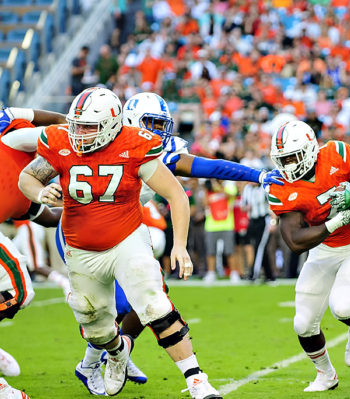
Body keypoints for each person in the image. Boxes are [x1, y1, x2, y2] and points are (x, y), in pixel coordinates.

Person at [17, 87, 222, 399]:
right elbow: (27, 179)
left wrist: (179, 245)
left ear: (113, 125)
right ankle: (117, 352)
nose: (80, 133)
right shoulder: (61, 141)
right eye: (77, 125)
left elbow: (176, 195)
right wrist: (40, 194)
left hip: (127, 239)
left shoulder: (134, 144)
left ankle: (196, 380)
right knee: (95, 324)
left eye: (89, 127)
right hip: (80, 247)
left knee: (154, 303)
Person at [268, 120, 350, 391]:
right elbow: (295, 242)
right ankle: (326, 375)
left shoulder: (337, 155)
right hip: (322, 252)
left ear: (311, 149)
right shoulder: (283, 187)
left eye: (292, 157)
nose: (287, 165)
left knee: (344, 307)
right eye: (282, 159)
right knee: (302, 324)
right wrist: (336, 221)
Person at [0, 107, 65, 397]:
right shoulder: (13, 139)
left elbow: (48, 216)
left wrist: (92, 208)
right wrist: (79, 123)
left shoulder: (22, 180)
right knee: (20, 290)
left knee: (18, 293)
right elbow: (50, 133)